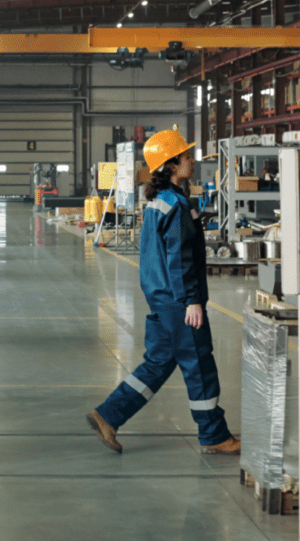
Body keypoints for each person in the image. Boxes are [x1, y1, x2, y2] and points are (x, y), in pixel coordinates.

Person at [86, 126, 240, 455]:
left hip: (161, 297)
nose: (193, 161)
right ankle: (214, 435)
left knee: (158, 364)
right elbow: (179, 258)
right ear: (171, 164)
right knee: (200, 366)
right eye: (187, 156)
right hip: (178, 301)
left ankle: (109, 415)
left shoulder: (161, 201)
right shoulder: (177, 206)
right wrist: (192, 301)